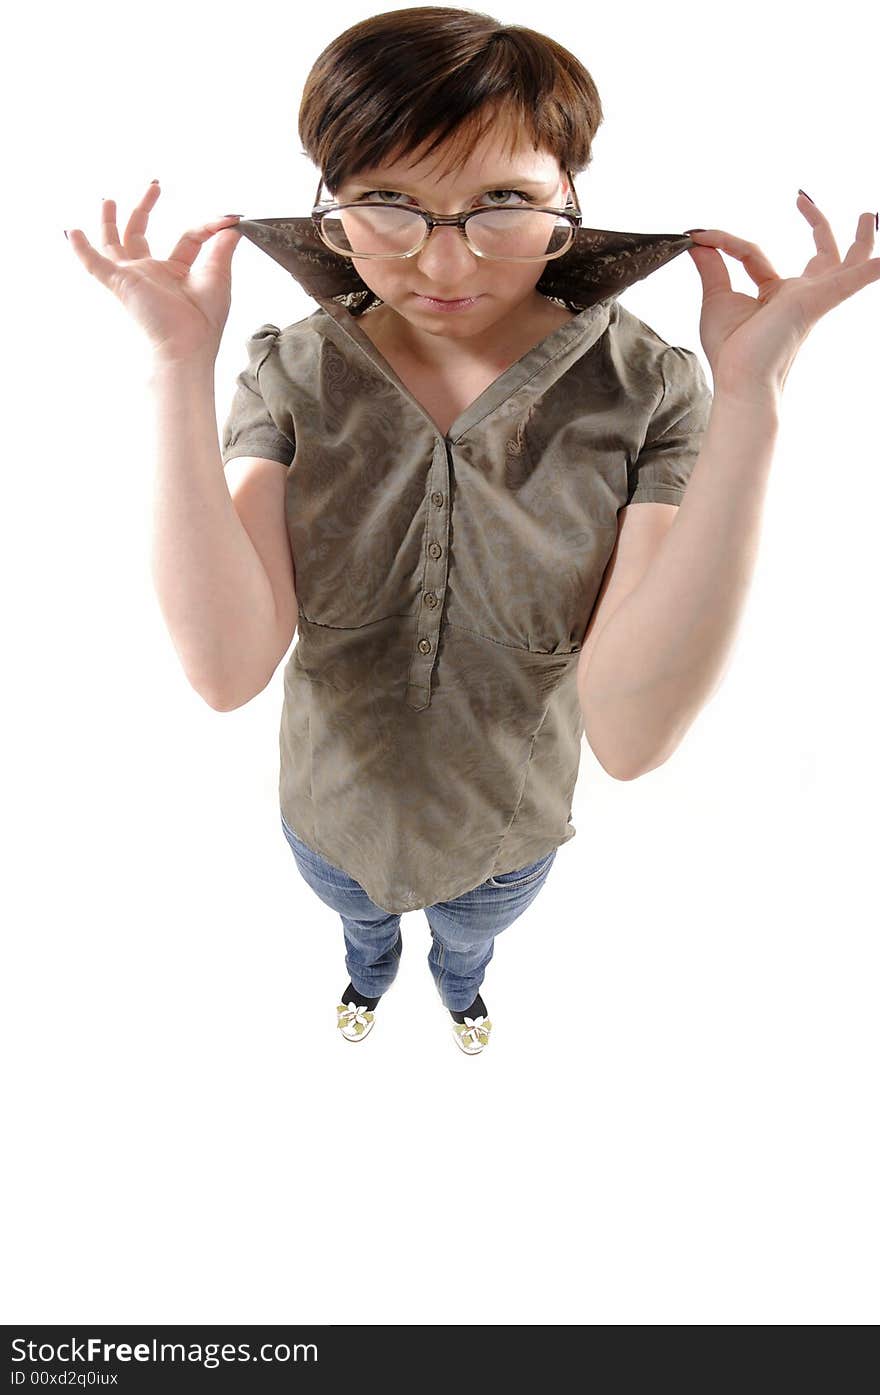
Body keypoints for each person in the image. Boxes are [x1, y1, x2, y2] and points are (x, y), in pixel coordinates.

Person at [65, 8, 880, 1056]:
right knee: (358, 926)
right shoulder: (295, 369)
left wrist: (752, 399)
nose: (444, 265)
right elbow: (226, 669)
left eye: (500, 203)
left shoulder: (644, 388)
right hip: (331, 814)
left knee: (468, 941)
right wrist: (178, 366)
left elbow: (630, 740)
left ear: (568, 200)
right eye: (389, 205)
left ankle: (460, 989)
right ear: (333, 202)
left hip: (504, 832)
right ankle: (365, 978)